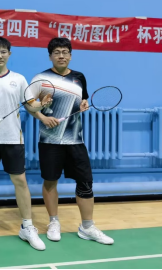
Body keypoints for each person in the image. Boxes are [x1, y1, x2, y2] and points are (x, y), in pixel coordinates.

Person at [0, 37, 51, 251]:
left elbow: (31, 106)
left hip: (13, 139)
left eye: (3, 51)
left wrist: (41, 105)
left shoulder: (19, 79)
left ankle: (27, 226)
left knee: (20, 181)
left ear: (9, 54)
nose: (0, 55)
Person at [30, 37, 114, 245]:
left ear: (70, 55)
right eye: (57, 52)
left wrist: (84, 104)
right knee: (50, 181)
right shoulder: (41, 78)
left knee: (85, 182)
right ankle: (53, 222)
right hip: (50, 140)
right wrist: (42, 117)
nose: (61, 56)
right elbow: (29, 104)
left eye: (65, 52)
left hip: (75, 140)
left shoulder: (79, 77)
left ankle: (87, 226)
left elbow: (82, 99)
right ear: (50, 56)